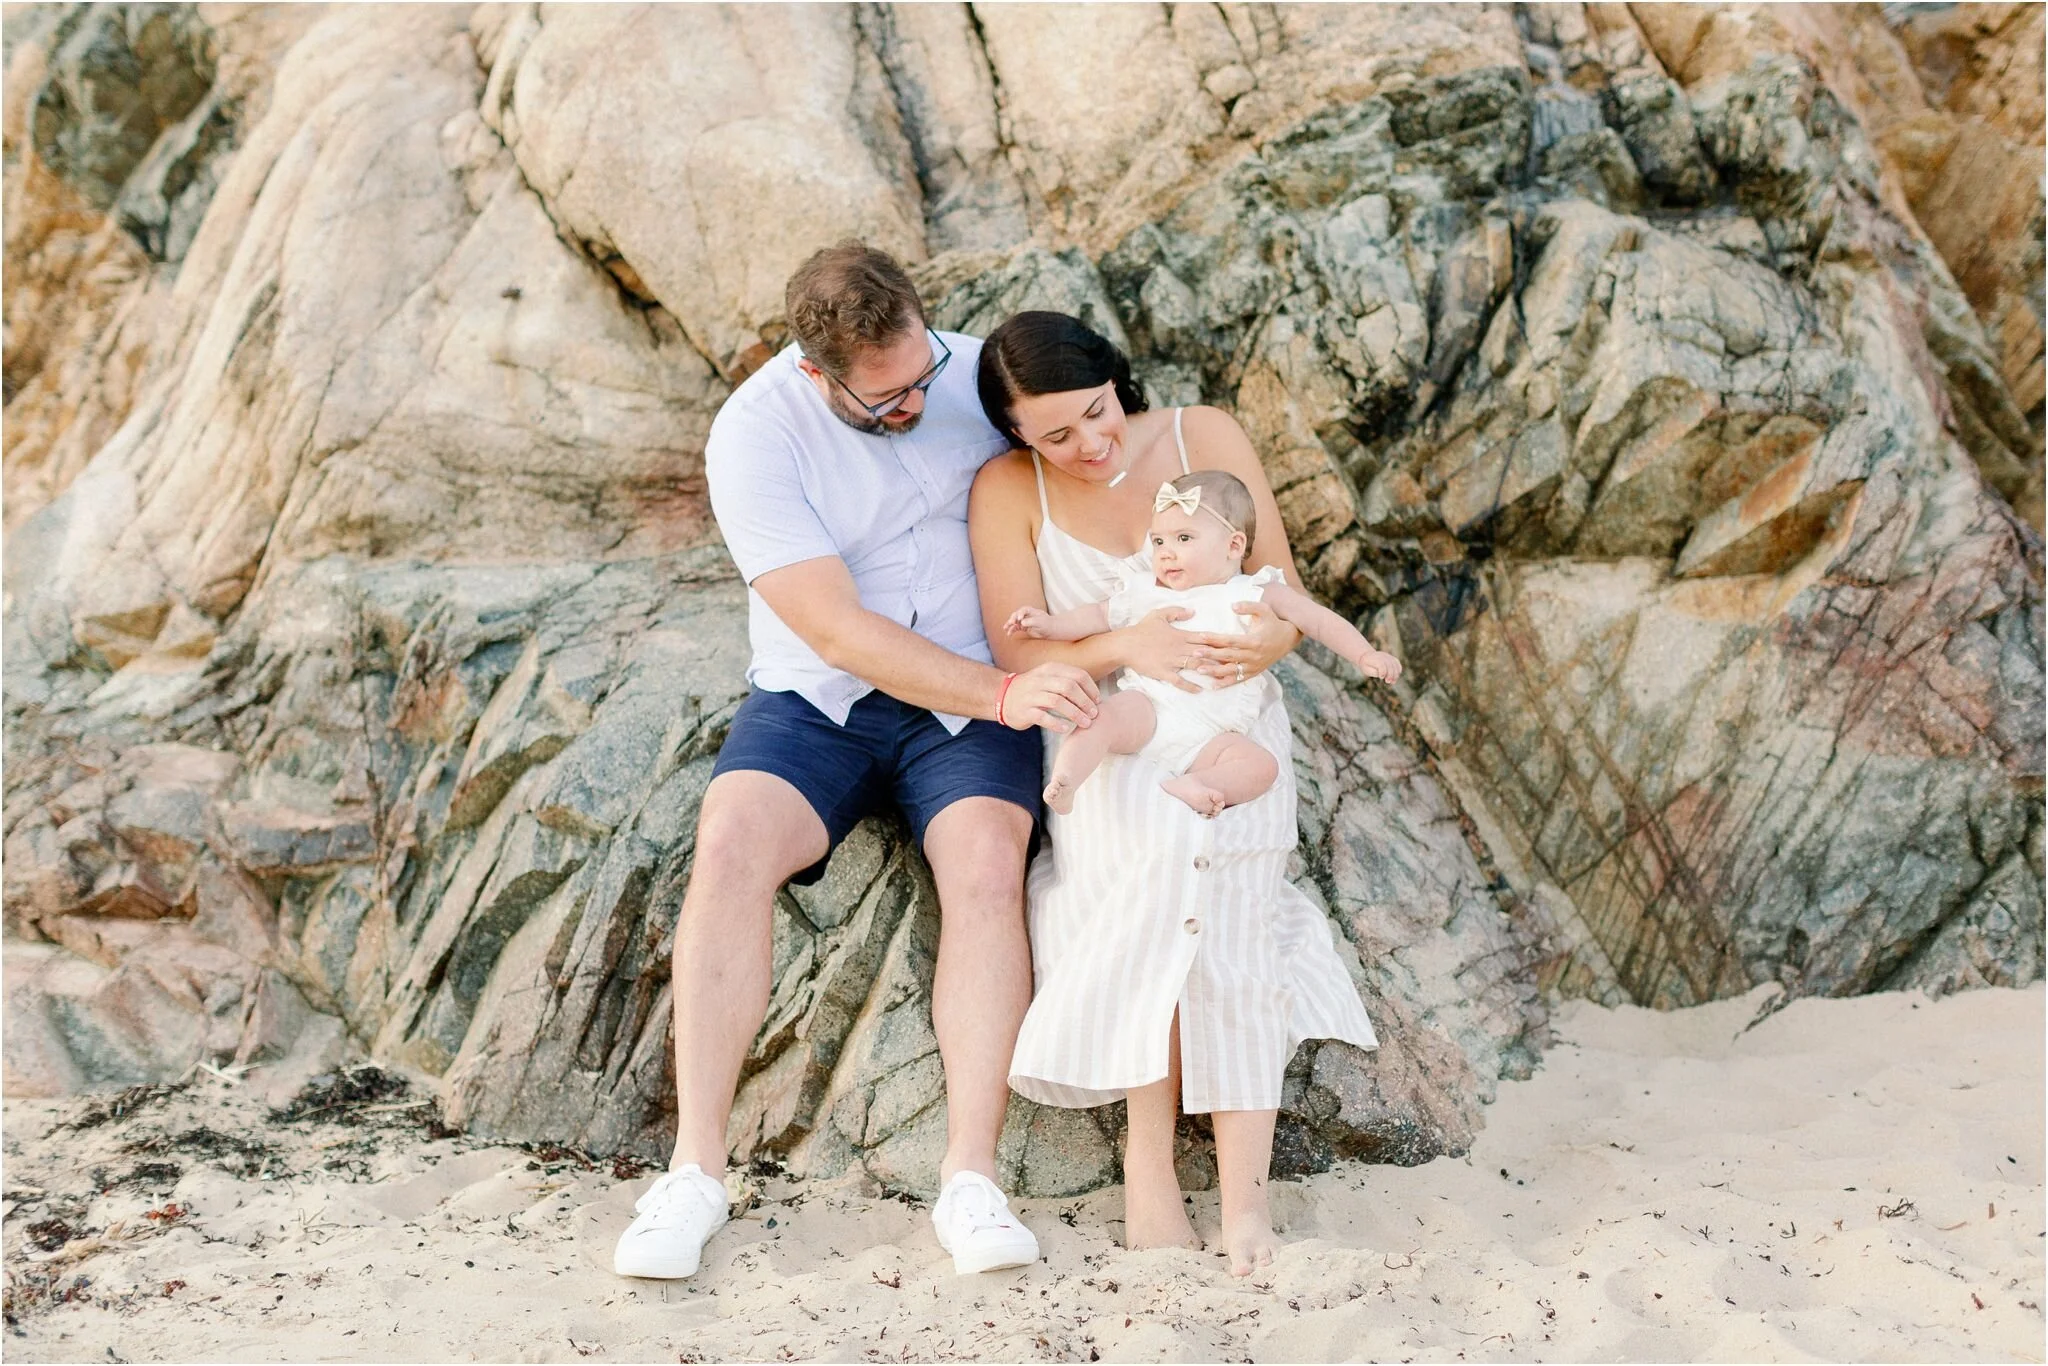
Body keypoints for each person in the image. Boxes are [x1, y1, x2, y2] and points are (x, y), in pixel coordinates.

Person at [612, 245, 1100, 1281]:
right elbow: (832, 629)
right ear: (814, 372)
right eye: (881, 400)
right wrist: (1005, 697)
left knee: (983, 865)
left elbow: (1106, 453)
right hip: (822, 699)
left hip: (967, 695)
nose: (914, 404)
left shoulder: (976, 377)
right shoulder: (754, 433)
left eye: (919, 375)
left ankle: (970, 1179)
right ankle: (693, 1170)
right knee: (732, 840)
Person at [968, 311, 1381, 1276]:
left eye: (1097, 413)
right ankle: (1147, 1157)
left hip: (1231, 715)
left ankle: (1236, 1193)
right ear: (1018, 438)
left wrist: (1269, 643)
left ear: (1120, 382)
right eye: (1054, 434)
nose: (1088, 444)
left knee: (1227, 885)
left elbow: (1279, 591)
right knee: (1151, 860)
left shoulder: (1206, 437)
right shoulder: (1005, 489)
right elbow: (1015, 649)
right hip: (1113, 725)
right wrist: (1127, 647)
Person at [1006, 467, 1404, 818]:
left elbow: (1317, 619)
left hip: (1214, 734)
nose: (1165, 554)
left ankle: (1201, 785)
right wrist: (1048, 625)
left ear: (1233, 545)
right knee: (1101, 717)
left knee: (1262, 767)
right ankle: (1067, 780)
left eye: (1183, 538)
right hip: (1152, 707)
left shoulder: (1256, 591)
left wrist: (1364, 653)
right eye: (1158, 542)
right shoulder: (1149, 591)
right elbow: (1095, 616)